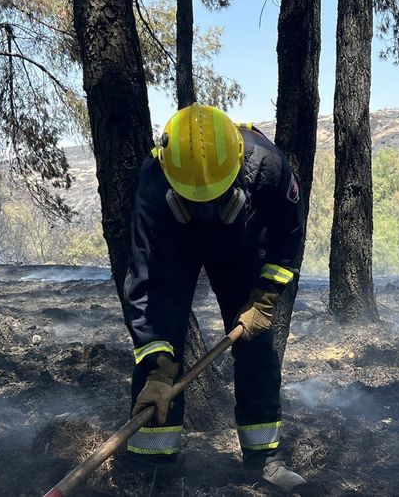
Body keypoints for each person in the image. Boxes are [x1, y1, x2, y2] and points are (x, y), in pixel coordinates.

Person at [122, 103, 307, 492]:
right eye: (195, 197)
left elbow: (287, 238)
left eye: (213, 196)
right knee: (161, 343)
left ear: (240, 164)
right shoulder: (155, 180)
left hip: (241, 241)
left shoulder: (269, 167)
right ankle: (152, 466)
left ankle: (264, 460)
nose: (205, 205)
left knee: (255, 348)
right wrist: (157, 365)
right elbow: (145, 279)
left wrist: (265, 296)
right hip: (176, 243)